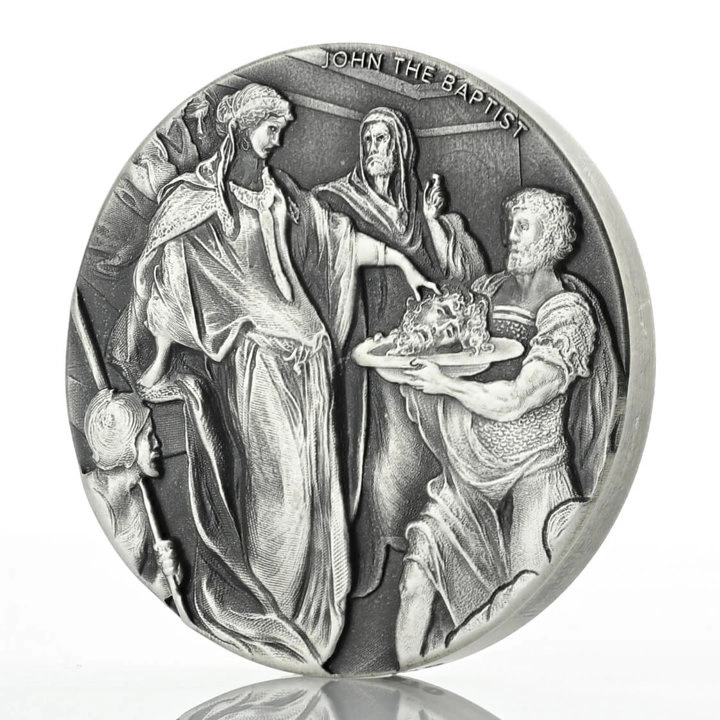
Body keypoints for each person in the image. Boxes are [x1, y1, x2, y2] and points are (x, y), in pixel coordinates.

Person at [109, 84, 437, 671]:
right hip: (259, 367)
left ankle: (311, 622)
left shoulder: (277, 191)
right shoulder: (202, 203)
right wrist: (158, 357)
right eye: (271, 129)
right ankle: (272, 613)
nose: (280, 139)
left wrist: (402, 262)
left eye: (282, 130)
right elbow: (169, 276)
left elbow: (335, 238)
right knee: (275, 487)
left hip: (310, 369)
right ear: (242, 127)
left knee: (312, 489)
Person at [397, 187, 621, 665]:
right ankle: (397, 685)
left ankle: (437, 676)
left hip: (534, 472)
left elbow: (516, 399)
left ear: (551, 237)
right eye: (511, 225)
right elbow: (454, 318)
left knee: (522, 595)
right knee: (415, 580)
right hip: (468, 476)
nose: (510, 237)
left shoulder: (568, 314)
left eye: (523, 227)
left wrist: (443, 384)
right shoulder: (489, 290)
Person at [314, 107, 487, 599]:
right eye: (369, 140)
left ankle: (424, 554)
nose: (375, 150)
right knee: (377, 459)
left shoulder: (414, 215)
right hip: (366, 357)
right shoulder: (339, 201)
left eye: (384, 140)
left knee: (423, 454)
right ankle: (367, 562)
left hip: (413, 352)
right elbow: (321, 246)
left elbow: (455, 278)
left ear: (402, 149)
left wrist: (432, 222)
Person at [82, 389, 181, 602]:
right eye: (149, 436)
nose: (157, 443)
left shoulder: (139, 506)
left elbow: (147, 588)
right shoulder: (89, 496)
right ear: (128, 443)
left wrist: (170, 574)